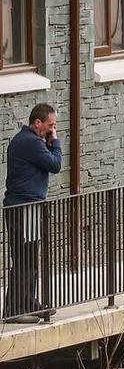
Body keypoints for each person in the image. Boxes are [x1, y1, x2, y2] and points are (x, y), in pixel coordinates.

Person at [4, 102, 61, 317]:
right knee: (23, 258)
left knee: (29, 258)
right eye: (50, 125)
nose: (52, 130)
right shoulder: (29, 143)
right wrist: (54, 142)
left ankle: (27, 302)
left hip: (29, 208)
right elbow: (55, 164)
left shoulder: (29, 141)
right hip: (23, 208)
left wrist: (48, 140)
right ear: (37, 123)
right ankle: (14, 309)